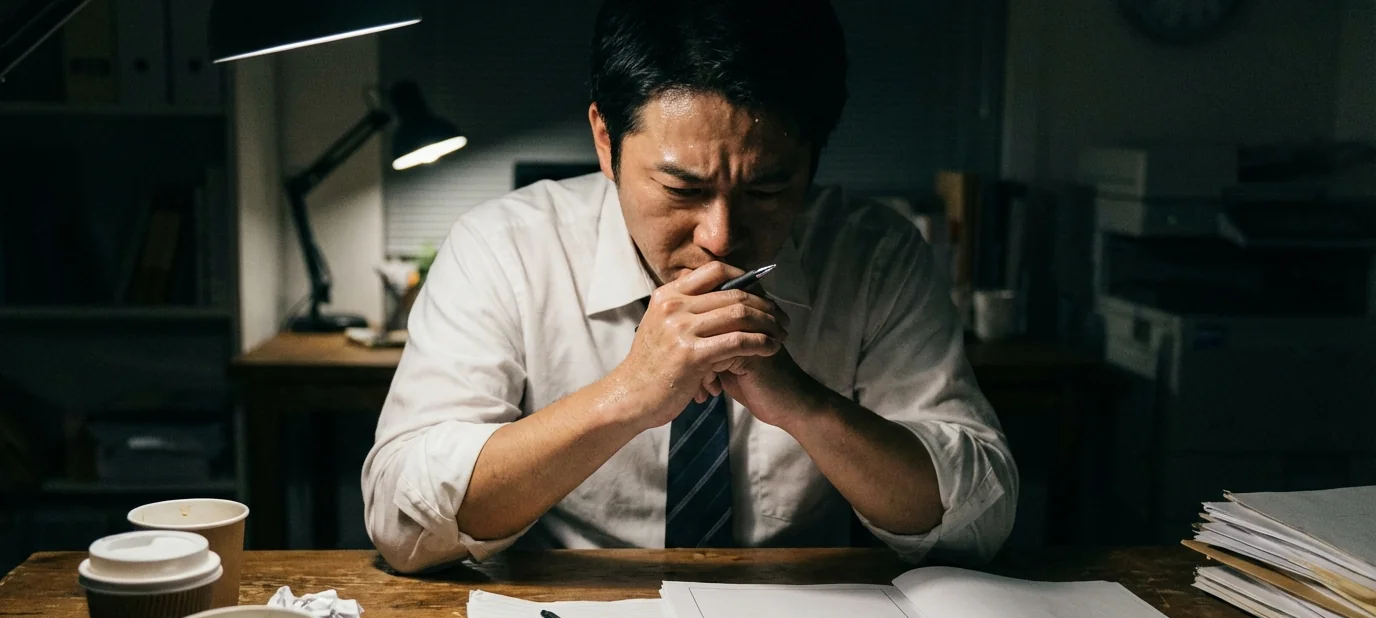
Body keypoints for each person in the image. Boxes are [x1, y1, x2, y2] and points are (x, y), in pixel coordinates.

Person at [363, 0, 1017, 573]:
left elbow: (977, 525)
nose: (721, 235)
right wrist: (628, 397)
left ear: (814, 158)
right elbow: (402, 521)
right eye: (683, 188)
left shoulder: (874, 254)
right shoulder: (504, 248)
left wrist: (803, 405)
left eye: (767, 188)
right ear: (603, 139)